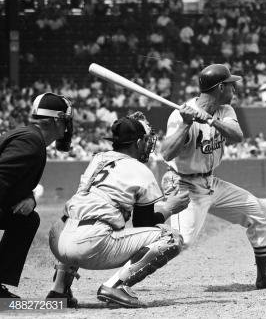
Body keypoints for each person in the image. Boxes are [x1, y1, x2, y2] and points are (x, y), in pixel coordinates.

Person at [160, 64, 266, 289]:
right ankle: (120, 279)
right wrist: (187, 123)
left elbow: (237, 136)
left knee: (259, 212)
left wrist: (209, 120)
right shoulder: (179, 114)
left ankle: (265, 276)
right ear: (220, 88)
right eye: (231, 85)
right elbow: (167, 152)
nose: (234, 90)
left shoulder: (225, 110)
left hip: (210, 182)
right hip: (185, 185)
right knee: (180, 241)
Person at [46, 112, 189, 308]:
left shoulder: (98, 159)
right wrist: (170, 208)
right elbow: (143, 223)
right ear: (138, 143)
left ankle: (59, 290)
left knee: (77, 217)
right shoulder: (140, 170)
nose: (147, 144)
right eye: (145, 141)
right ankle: (114, 286)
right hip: (90, 244)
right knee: (172, 239)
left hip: (58, 237)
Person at [0, 93, 74, 298]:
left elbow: (11, 182)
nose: (68, 128)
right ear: (57, 121)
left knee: (26, 221)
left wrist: (30, 198)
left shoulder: (29, 137)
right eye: (66, 122)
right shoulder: (31, 142)